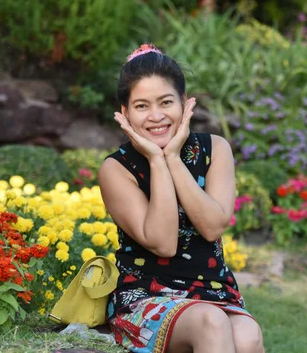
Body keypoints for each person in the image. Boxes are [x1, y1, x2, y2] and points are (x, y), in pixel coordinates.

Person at [98, 44, 265, 353]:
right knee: (211, 322)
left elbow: (212, 226)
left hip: (214, 293)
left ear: (185, 105)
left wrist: (173, 157)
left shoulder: (216, 149)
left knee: (248, 335)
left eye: (166, 102)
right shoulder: (117, 168)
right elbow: (163, 243)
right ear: (125, 113)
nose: (157, 116)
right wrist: (157, 161)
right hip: (145, 296)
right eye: (142, 106)